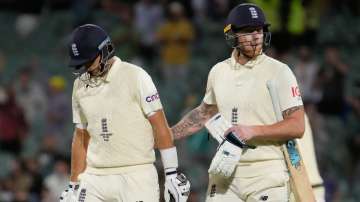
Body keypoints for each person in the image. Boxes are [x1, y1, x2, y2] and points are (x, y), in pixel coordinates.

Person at [171, 3, 305, 201]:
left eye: (259, 30)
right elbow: (203, 114)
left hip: (266, 174)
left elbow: (297, 125)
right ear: (232, 34)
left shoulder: (280, 72)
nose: (255, 37)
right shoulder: (218, 71)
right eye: (247, 31)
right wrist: (169, 134)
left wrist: (252, 131)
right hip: (224, 173)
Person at [60, 24, 190, 202]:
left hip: (137, 175)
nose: (87, 68)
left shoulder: (136, 76)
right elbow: (81, 136)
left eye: (89, 61)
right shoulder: (79, 85)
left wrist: (171, 172)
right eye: (82, 64)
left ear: (105, 50)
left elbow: (159, 125)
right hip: (95, 177)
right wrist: (73, 184)